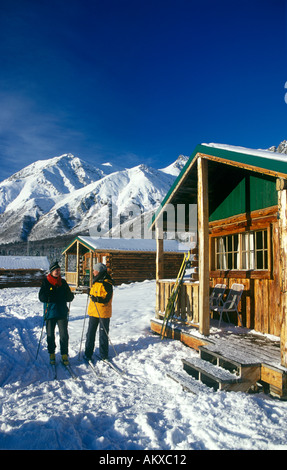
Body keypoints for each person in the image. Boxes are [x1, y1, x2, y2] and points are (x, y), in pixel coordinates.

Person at [39, 260, 74, 365]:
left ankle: (64, 354)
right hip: (50, 313)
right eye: (55, 270)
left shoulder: (63, 282)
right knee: (50, 335)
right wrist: (49, 298)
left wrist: (69, 296)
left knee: (64, 335)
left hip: (62, 312)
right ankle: (52, 354)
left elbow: (70, 296)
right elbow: (41, 297)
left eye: (58, 270)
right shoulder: (46, 282)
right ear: (51, 271)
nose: (57, 272)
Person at [84, 263, 114, 361]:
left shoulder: (107, 282)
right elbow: (95, 293)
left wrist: (97, 299)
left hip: (103, 312)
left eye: (94, 270)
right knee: (90, 333)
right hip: (93, 312)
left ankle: (104, 354)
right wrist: (90, 292)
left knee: (103, 334)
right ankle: (88, 354)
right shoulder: (95, 281)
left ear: (99, 271)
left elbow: (107, 298)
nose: (93, 272)